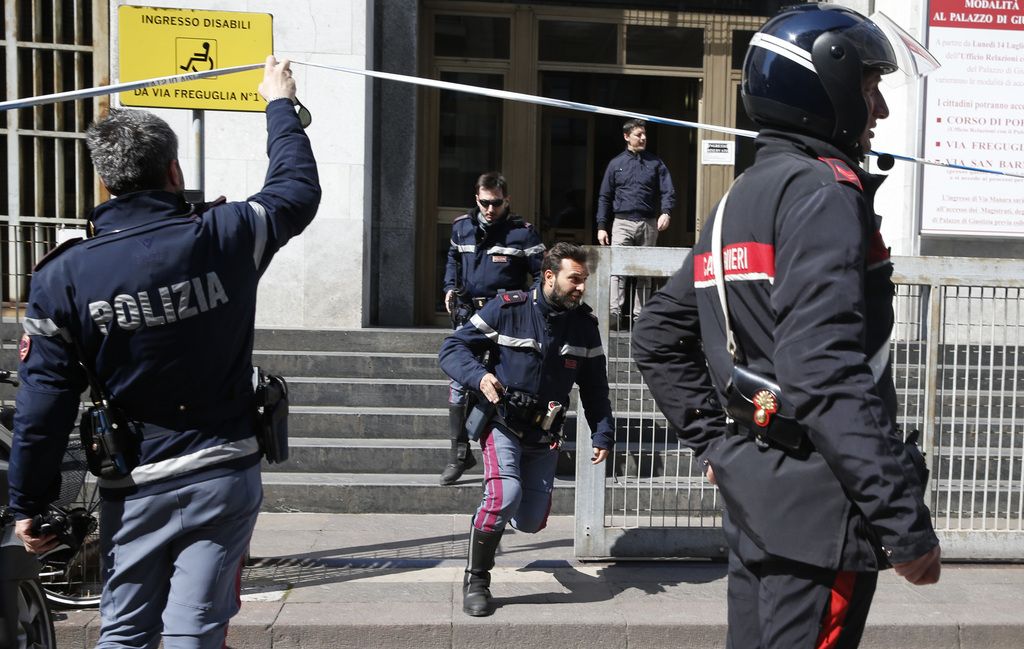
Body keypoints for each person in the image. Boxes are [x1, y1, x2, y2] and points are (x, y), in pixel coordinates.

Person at [631, 6, 941, 648]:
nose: (878, 108)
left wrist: (717, 443)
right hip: (820, 518)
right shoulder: (823, 193)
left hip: (758, 502)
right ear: (822, 86)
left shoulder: (737, 198)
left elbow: (656, 333)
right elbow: (823, 370)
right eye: (866, 86)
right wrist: (904, 524)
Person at [7, 55, 320, 648]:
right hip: (223, 469)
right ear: (175, 171)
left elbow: (42, 404)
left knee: (124, 630)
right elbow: (296, 188)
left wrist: (30, 502)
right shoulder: (226, 234)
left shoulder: (64, 277)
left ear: (105, 182)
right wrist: (279, 102)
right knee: (196, 627)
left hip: (135, 482)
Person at [439, 242, 615, 617]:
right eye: (575, 279)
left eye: (584, 280)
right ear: (549, 276)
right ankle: (477, 581)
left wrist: (603, 432)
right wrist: (480, 376)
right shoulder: (507, 308)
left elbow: (596, 386)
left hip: (545, 434)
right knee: (504, 494)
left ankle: (500, 513)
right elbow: (452, 348)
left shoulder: (584, 325)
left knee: (532, 521)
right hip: (502, 423)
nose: (581, 287)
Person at [440, 172, 545, 485]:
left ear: (506, 200)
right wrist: (449, 287)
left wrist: (529, 307)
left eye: (496, 203)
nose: (489, 209)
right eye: (484, 202)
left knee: (502, 381)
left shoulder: (522, 234)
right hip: (469, 315)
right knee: (459, 382)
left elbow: (543, 276)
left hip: (505, 317)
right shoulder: (461, 227)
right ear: (476, 198)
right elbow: (452, 260)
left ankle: (506, 448)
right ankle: (458, 453)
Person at [595, 118, 675, 328]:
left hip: (648, 223)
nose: (643, 138)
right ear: (626, 136)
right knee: (617, 270)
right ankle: (613, 315)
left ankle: (641, 318)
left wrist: (666, 212)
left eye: (644, 134)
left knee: (644, 272)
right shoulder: (616, 164)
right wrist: (602, 226)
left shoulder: (655, 163)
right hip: (621, 222)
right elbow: (604, 196)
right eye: (639, 134)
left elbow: (668, 190)